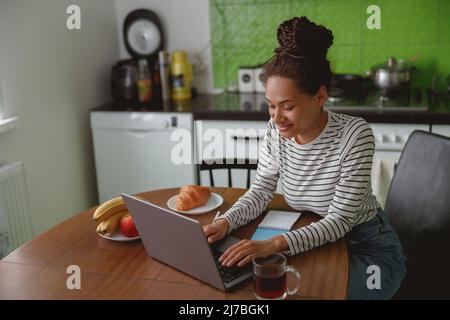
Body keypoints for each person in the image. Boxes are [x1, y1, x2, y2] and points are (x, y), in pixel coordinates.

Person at [202, 16, 406, 300]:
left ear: (320, 96)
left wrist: (273, 245)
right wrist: (226, 221)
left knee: (307, 292)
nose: (276, 118)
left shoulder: (355, 134)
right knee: (261, 286)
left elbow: (339, 221)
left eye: (288, 106)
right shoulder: (276, 131)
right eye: (271, 106)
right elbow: (261, 191)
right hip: (312, 237)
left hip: (365, 246)